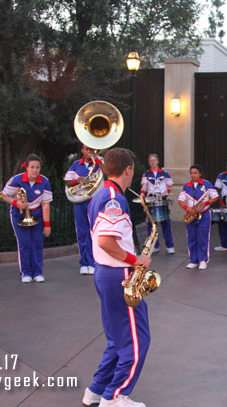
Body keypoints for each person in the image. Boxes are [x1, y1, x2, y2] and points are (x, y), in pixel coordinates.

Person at [83, 147, 151, 407]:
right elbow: (106, 242)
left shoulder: (101, 194)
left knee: (117, 340)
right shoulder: (114, 198)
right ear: (129, 169)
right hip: (119, 275)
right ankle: (115, 397)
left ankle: (95, 392)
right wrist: (137, 260)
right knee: (137, 341)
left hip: (106, 274)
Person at [2, 154, 52, 283]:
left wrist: (47, 224)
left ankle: (37, 272)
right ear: (27, 168)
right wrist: (16, 203)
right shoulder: (17, 180)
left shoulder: (44, 181)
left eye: (37, 167)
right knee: (24, 243)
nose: (35, 170)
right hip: (19, 214)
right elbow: (5, 196)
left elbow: (46, 204)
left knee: (37, 243)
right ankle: (26, 272)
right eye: (32, 167)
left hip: (37, 215)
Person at [64, 144, 106, 275]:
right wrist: (77, 180)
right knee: (82, 233)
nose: (89, 152)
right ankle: (84, 262)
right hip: (80, 203)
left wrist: (97, 160)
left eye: (92, 149)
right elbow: (67, 181)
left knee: (95, 232)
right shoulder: (76, 165)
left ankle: (94, 262)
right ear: (82, 150)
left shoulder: (99, 163)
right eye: (87, 149)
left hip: (95, 202)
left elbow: (108, 174)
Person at [178, 165, 219, 270]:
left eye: (195, 173)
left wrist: (206, 203)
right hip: (191, 214)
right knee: (191, 238)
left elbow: (215, 197)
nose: (193, 175)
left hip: (204, 214)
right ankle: (193, 260)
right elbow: (180, 201)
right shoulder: (186, 186)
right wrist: (187, 209)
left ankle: (202, 260)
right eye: (191, 173)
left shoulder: (207, 184)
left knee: (203, 237)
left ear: (200, 173)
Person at [140, 154, 175, 254]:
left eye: (154, 160)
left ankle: (170, 246)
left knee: (166, 224)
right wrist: (142, 195)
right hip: (151, 200)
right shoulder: (146, 174)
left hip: (162, 199)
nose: (152, 162)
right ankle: (154, 246)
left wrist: (166, 192)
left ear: (158, 161)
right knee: (151, 225)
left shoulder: (164, 173)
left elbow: (170, 185)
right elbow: (144, 186)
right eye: (150, 160)